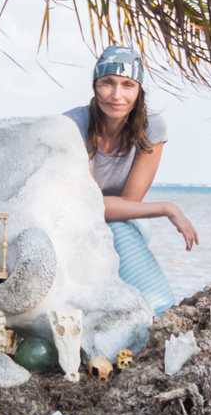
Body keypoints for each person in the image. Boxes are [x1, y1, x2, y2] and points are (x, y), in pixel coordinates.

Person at [62, 43, 198, 314]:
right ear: (94, 85)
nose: (116, 95)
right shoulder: (73, 126)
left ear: (139, 90)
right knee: (117, 231)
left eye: (127, 85)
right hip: (70, 223)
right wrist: (166, 208)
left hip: (122, 224)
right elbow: (87, 208)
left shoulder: (151, 127)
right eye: (107, 83)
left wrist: (153, 209)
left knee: (122, 230)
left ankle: (154, 312)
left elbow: (129, 204)